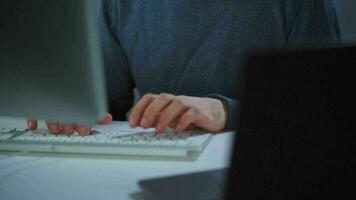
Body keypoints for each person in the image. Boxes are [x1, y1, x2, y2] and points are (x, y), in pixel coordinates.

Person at [27, 0, 342, 135]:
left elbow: (326, 109)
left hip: (261, 170)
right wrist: (74, 110)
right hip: (157, 166)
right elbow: (103, 102)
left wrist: (225, 112)